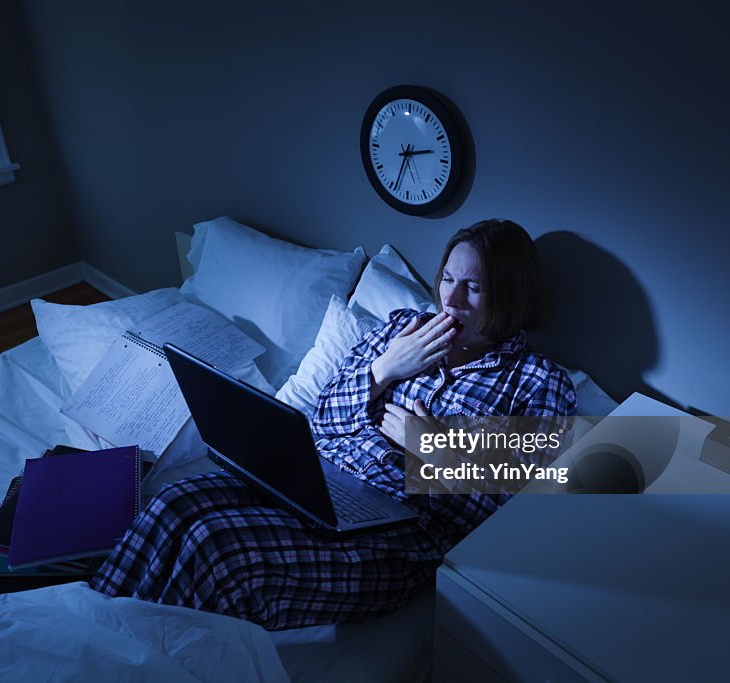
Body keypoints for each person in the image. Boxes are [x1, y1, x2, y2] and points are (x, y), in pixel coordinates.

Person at [90, 219, 576, 631]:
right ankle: (88, 630)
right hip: (314, 484)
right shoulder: (401, 328)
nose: (452, 299)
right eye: (448, 278)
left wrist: (437, 450)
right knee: (177, 500)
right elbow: (324, 416)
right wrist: (383, 370)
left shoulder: (538, 384)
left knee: (216, 546)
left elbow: (514, 513)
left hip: (397, 537)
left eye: (475, 287)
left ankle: (134, 658)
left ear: (511, 295)